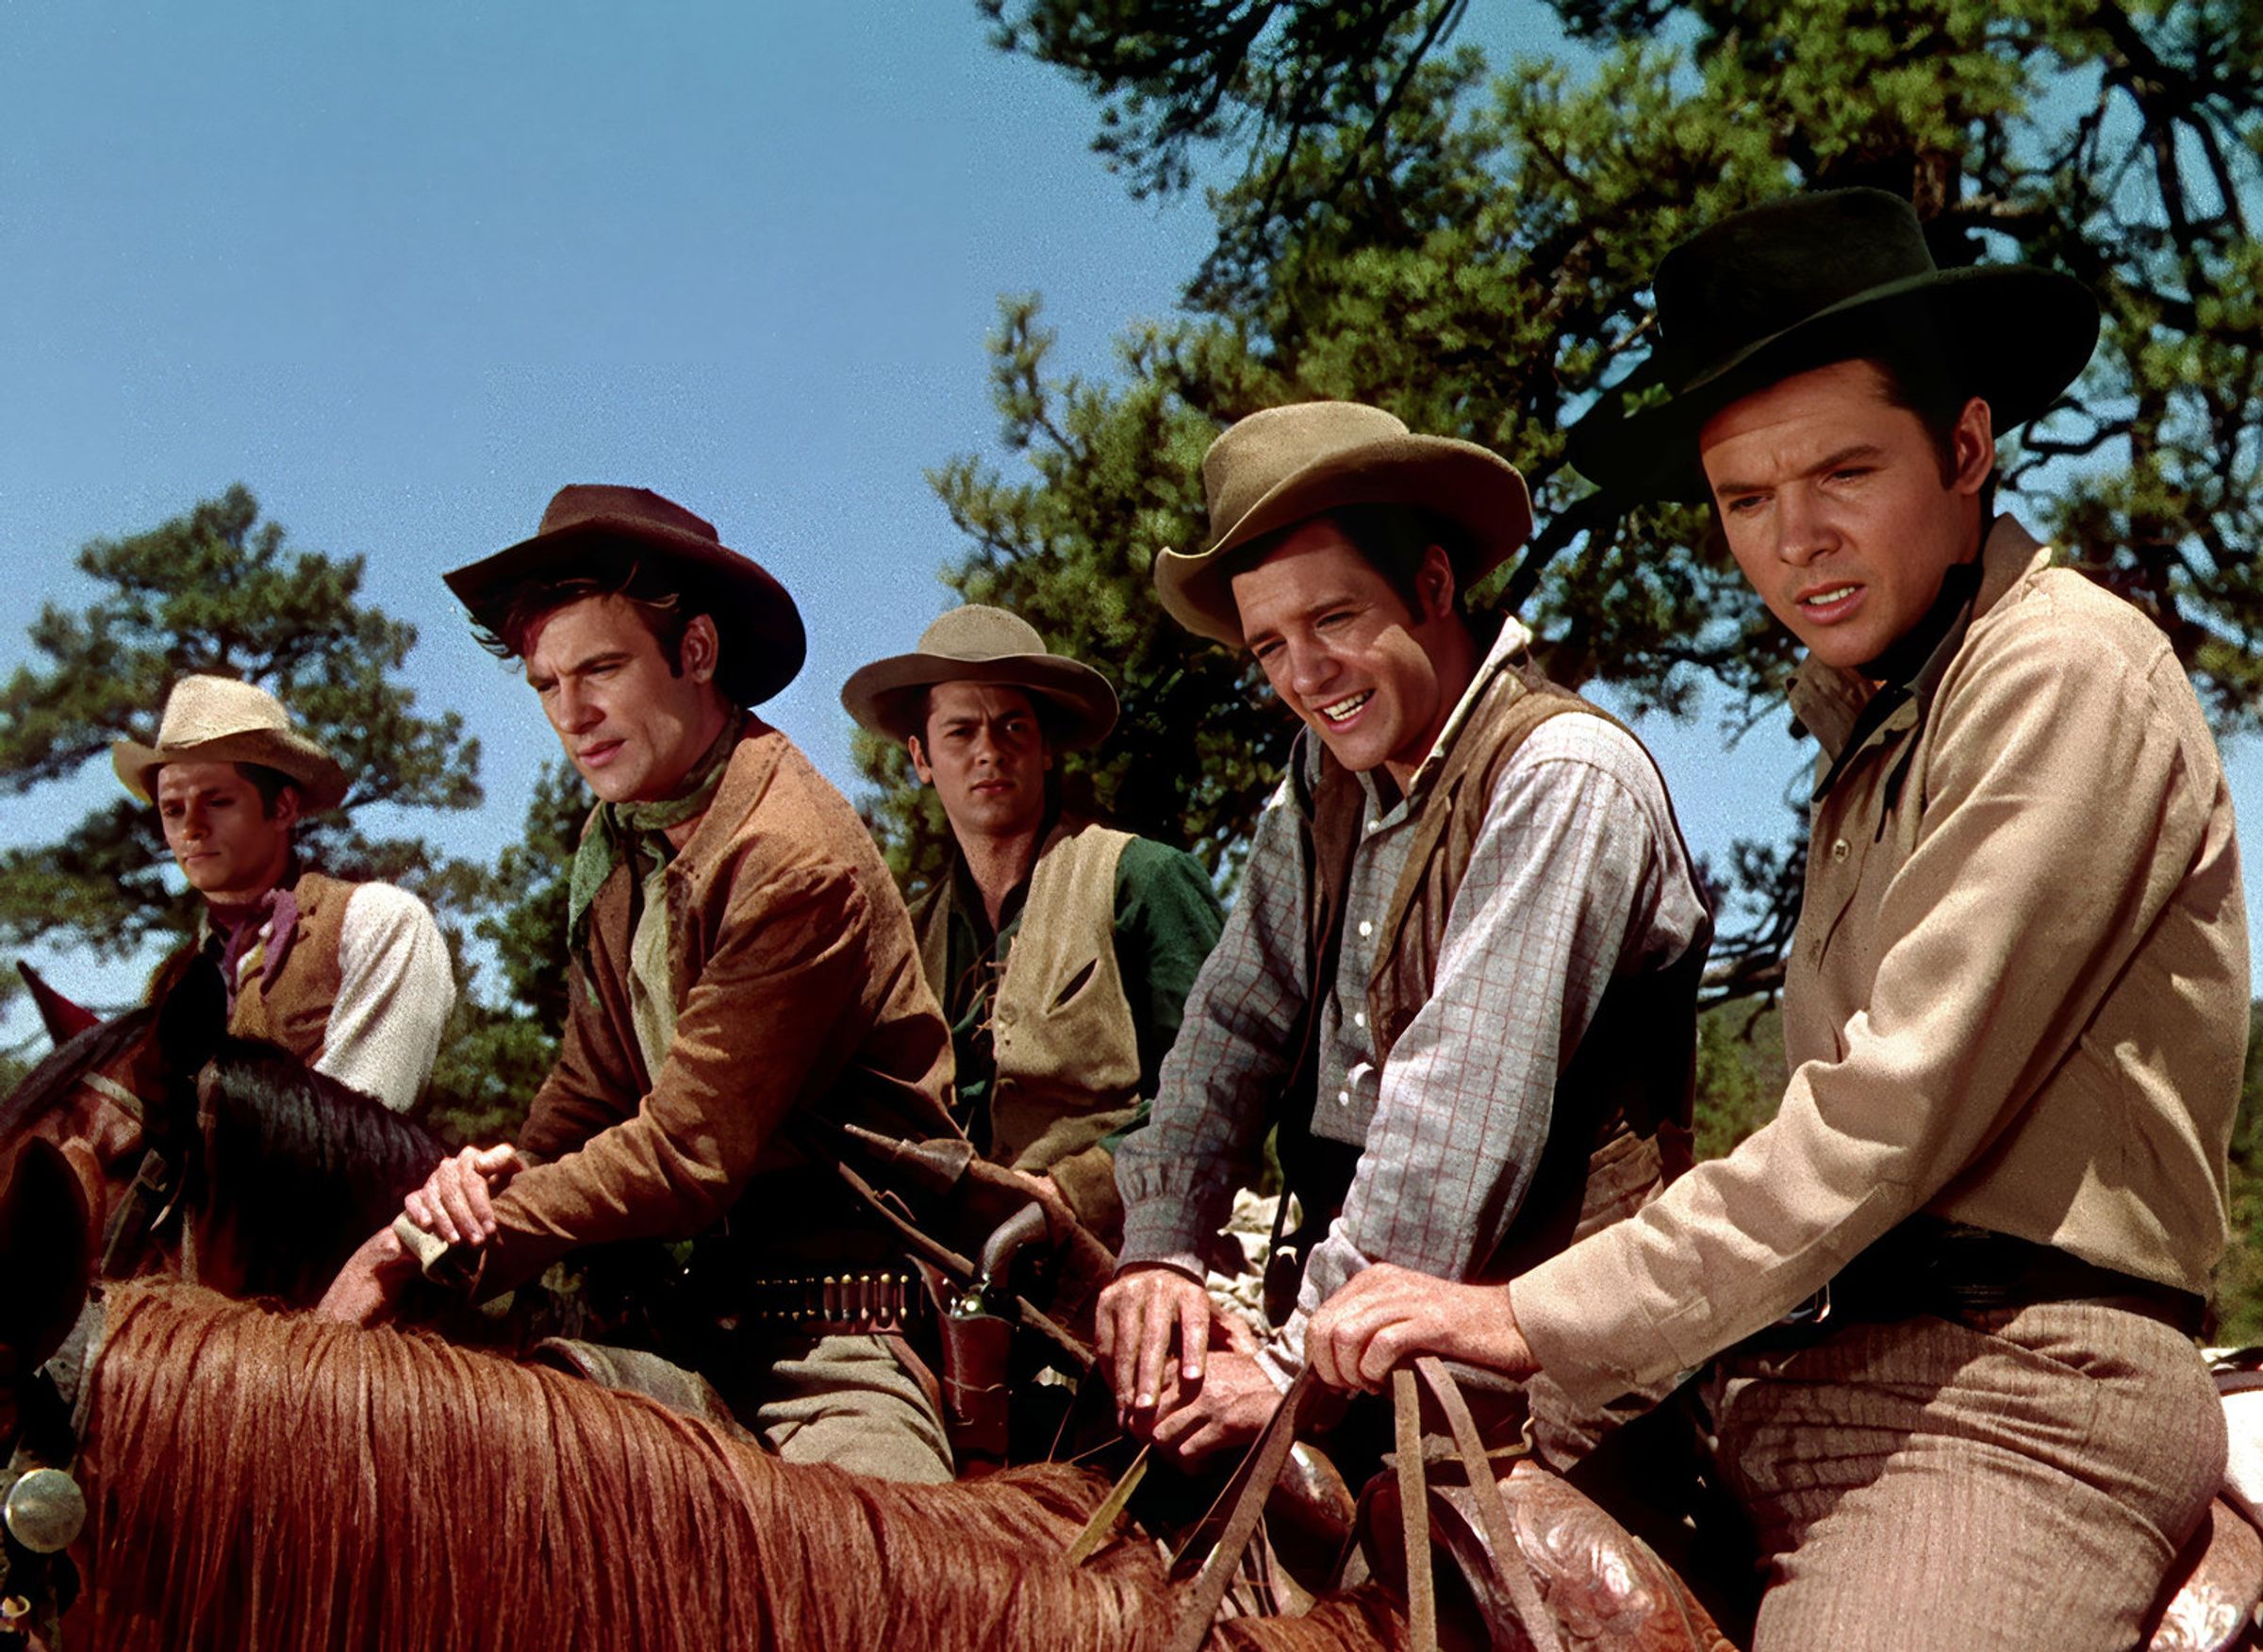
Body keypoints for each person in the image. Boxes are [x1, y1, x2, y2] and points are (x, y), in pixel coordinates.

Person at [1306, 189, 2247, 1650]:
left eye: (1844, 471)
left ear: (1967, 449)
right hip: (1796, 1368)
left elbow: (1880, 1123)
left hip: (2014, 1398)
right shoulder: (1874, 728)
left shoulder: (2063, 671)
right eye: (1744, 500)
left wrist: (1528, 1316)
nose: (1795, 539)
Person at [1098, 400, 1711, 1467]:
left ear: (1432, 587)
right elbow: (1234, 1022)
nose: (1305, 676)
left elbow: (1455, 1131)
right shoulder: (1321, 781)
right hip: (1363, 1338)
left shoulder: (1562, 775)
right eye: (1270, 646)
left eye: (1333, 620)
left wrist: (1286, 1370)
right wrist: (1161, 1246)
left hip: (1555, 1370)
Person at [321, 485, 964, 1484]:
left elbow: (688, 1151)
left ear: (695, 652)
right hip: (683, 1299)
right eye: (546, 684)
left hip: (839, 1320)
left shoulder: (790, 857)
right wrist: (468, 1197)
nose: (570, 716)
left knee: (883, 1561)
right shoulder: (622, 837)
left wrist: (426, 1246)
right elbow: (590, 1091)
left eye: (601, 670)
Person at [841, 604, 1223, 1249]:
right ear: (921, 759)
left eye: (1013, 726)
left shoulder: (1142, 880)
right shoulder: (909, 936)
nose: (989, 751)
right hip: (950, 1261)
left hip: (1126, 1253)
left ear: (1046, 749)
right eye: (960, 732)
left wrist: (1071, 1191)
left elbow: (1213, 1094)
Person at [122, 674, 453, 1113]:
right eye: (173, 809)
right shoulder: (174, 981)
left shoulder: (377, 921)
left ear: (282, 808)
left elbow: (360, 1125)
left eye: (217, 802)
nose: (191, 829)